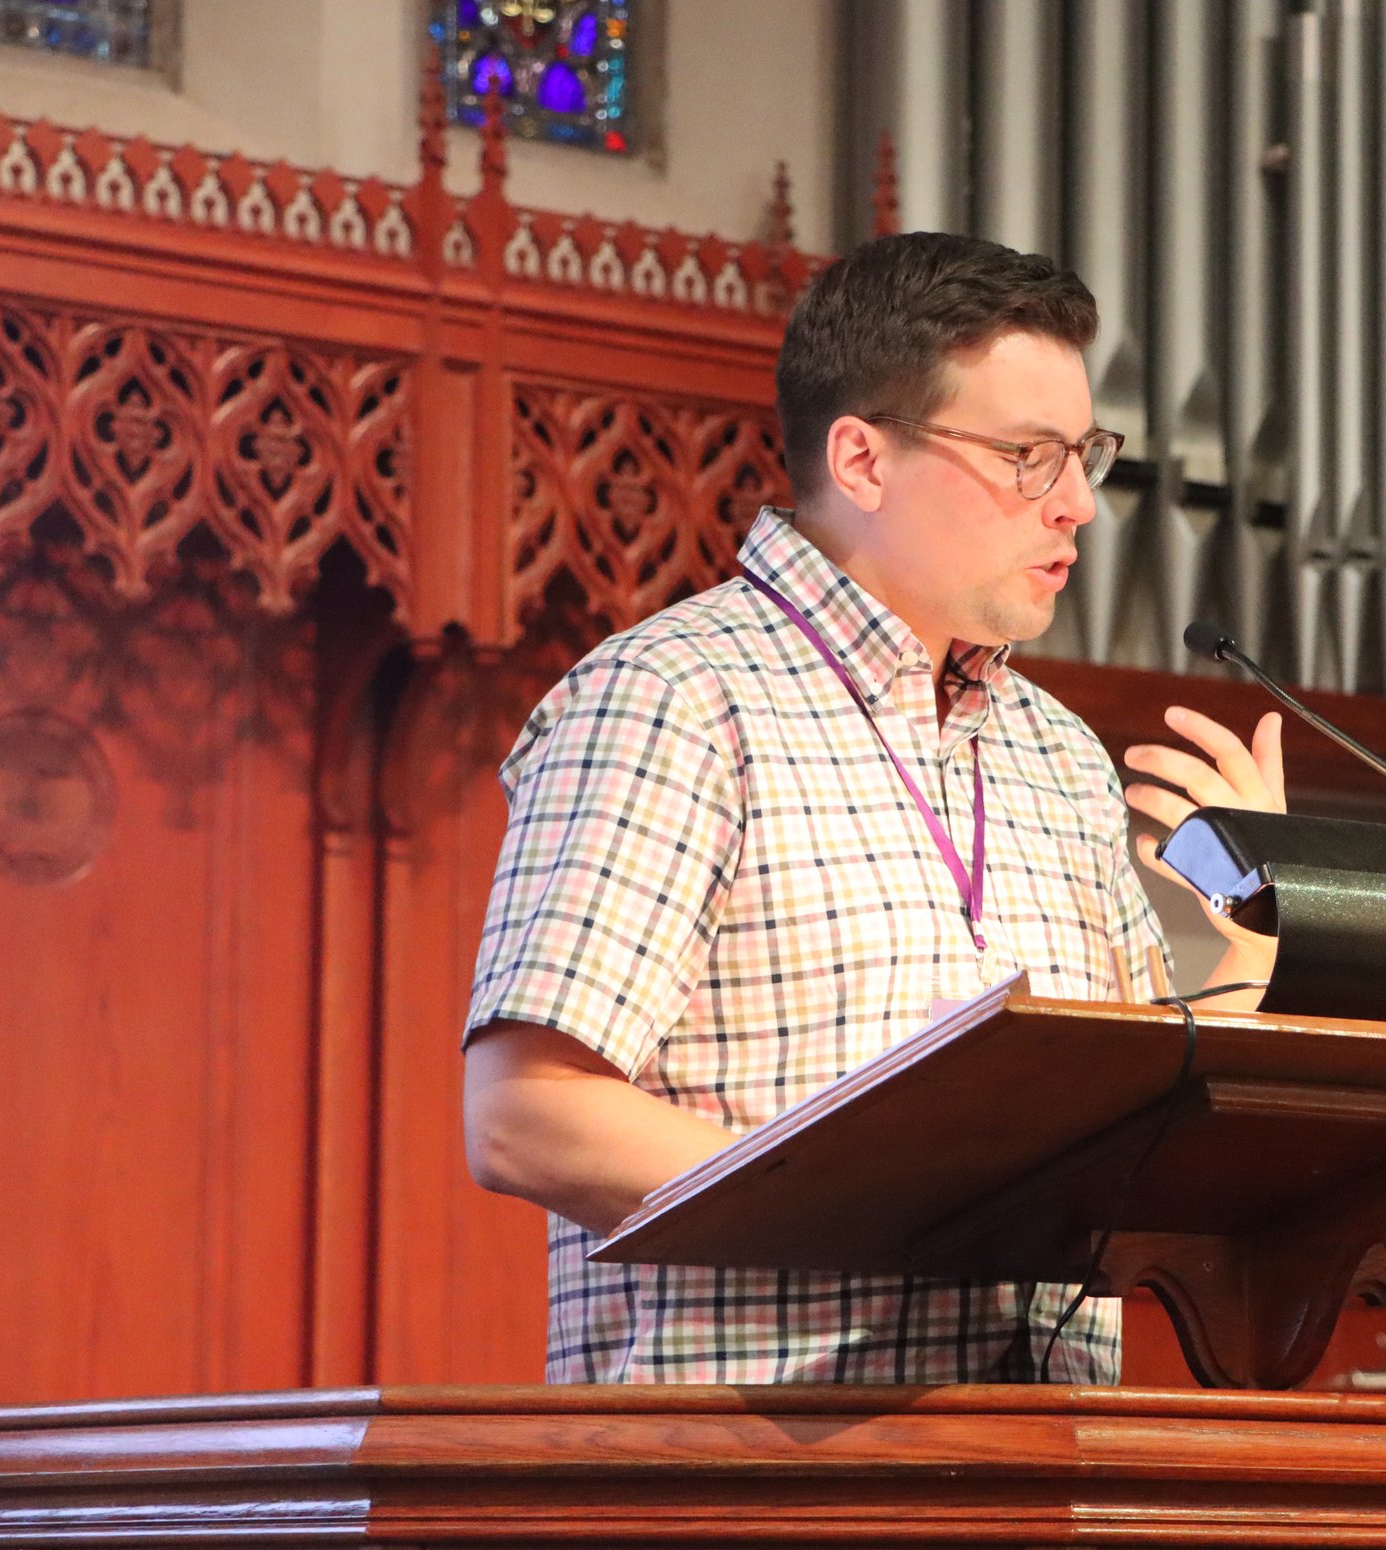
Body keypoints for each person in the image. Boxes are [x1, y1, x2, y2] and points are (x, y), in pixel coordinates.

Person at [461, 231, 1285, 1386]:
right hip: (755, 1490)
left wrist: (1260, 938)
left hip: (1049, 1471)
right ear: (861, 459)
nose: (1080, 507)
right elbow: (527, 1114)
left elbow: (1140, 1134)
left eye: (1085, 454)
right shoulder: (675, 699)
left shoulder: (1057, 752)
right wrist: (916, 1214)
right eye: (1028, 455)